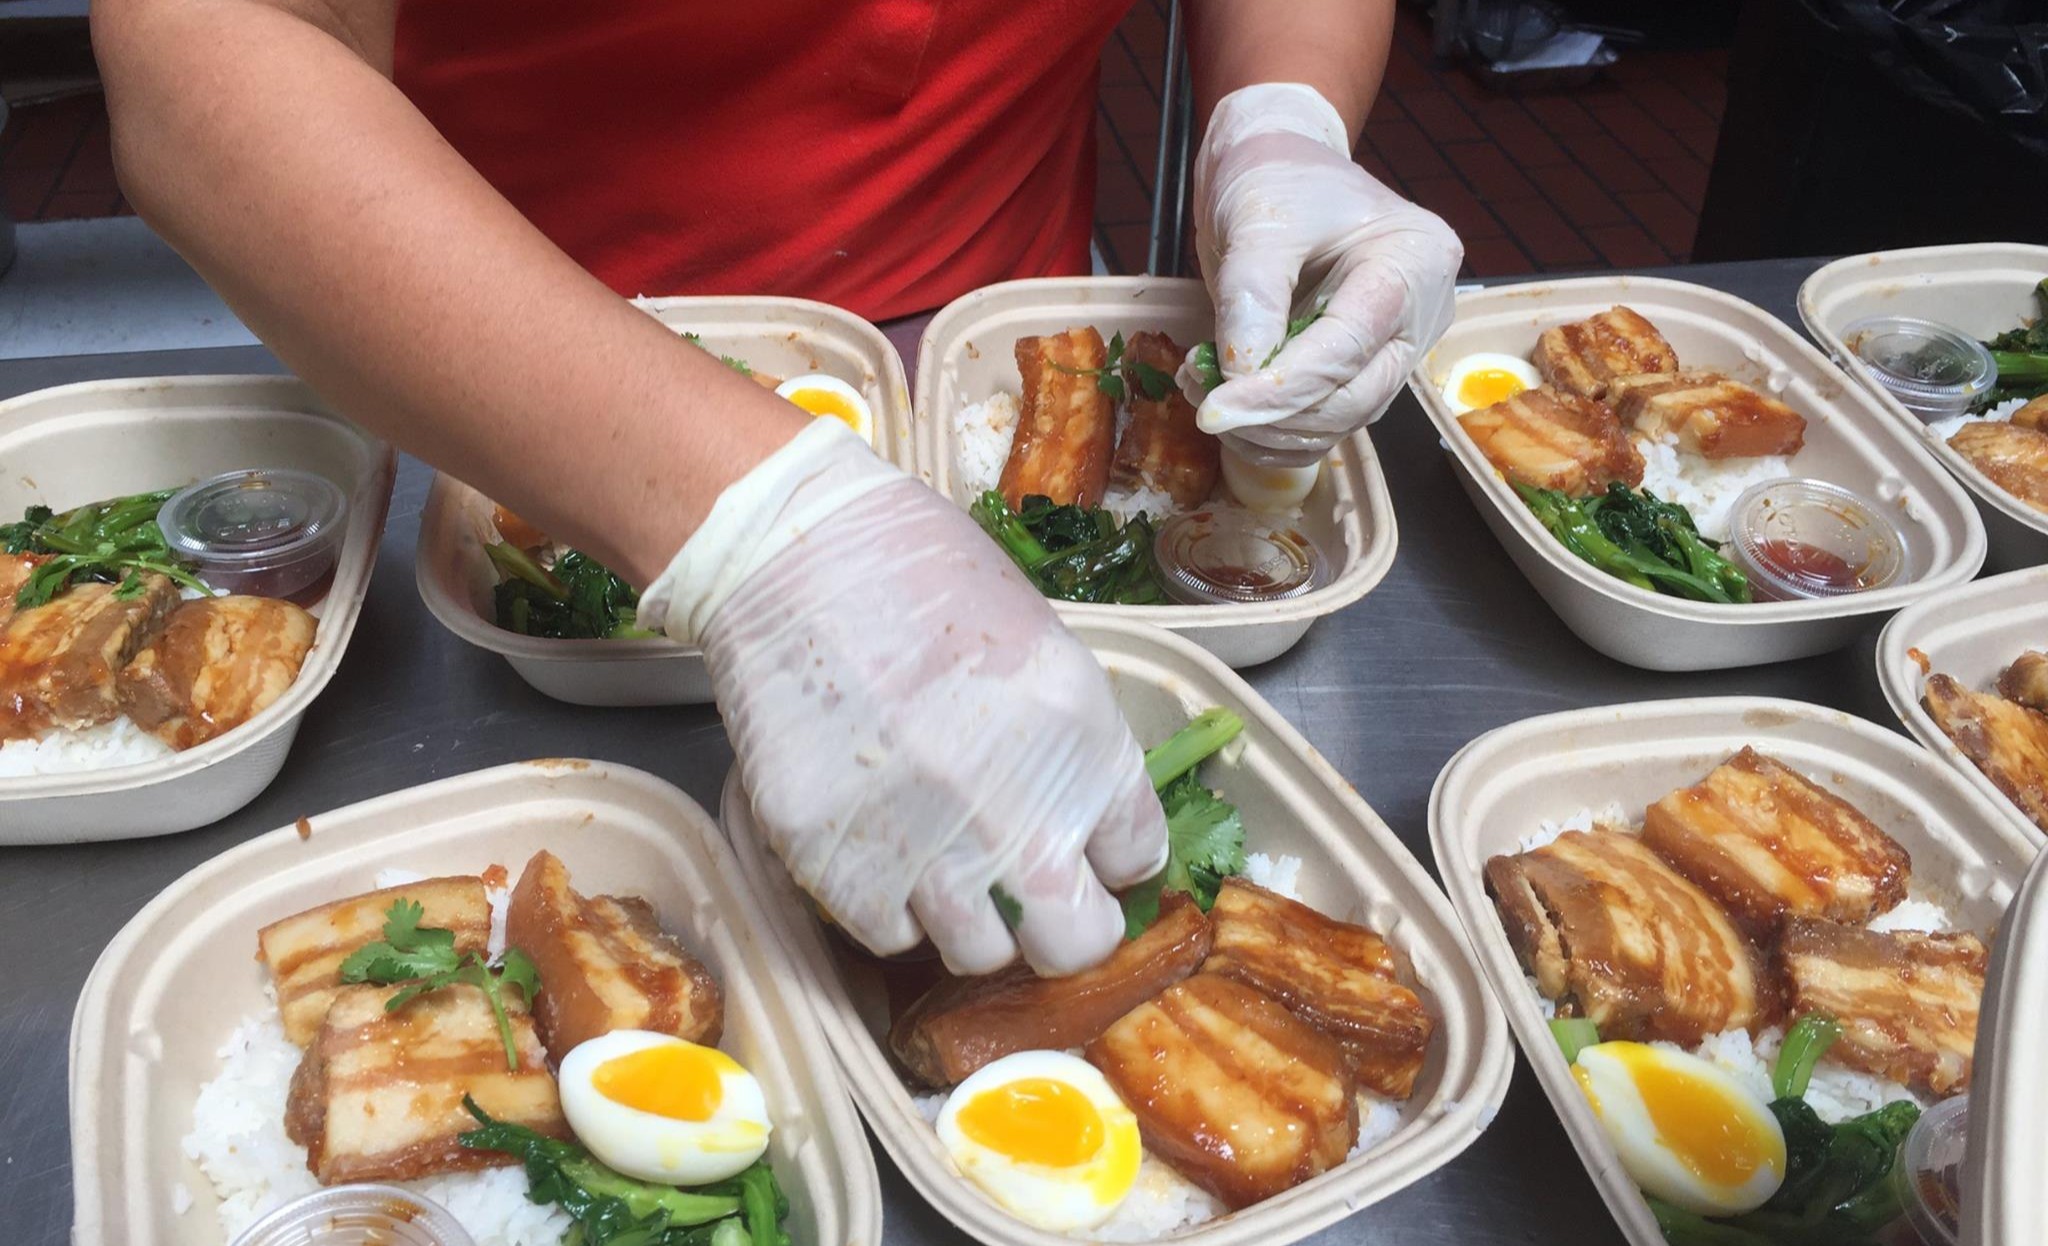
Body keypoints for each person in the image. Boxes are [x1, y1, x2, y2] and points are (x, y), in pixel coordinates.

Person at [91, 0, 1459, 978]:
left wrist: (1286, 115)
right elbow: (201, 43)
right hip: (505, 368)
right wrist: (762, 523)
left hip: (995, 346)